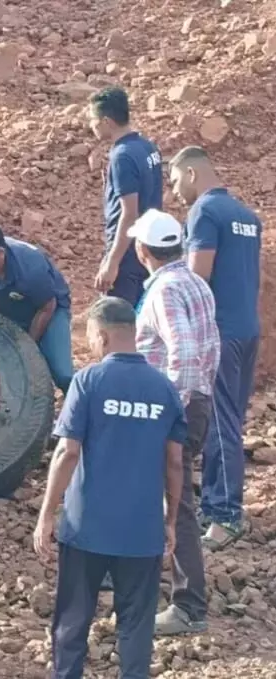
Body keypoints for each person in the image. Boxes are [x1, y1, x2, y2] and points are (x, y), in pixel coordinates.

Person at [33, 296, 186, 679]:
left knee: (73, 618)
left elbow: (68, 452)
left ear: (101, 336)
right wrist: (170, 520)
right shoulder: (164, 389)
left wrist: (46, 515)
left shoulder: (89, 381)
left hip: (86, 527)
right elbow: (175, 462)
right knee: (136, 623)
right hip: (141, 529)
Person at [129, 208, 219, 635]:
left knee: (175, 502)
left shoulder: (165, 290)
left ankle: (188, 606)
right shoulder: (195, 283)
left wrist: (172, 413)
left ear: (142, 250)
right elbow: (211, 349)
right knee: (164, 498)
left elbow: (182, 354)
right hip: (195, 401)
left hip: (172, 409)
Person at [169, 145, 263, 550]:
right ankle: (216, 504)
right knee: (230, 419)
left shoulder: (204, 213)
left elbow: (197, 278)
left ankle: (225, 514)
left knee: (219, 422)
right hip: (247, 329)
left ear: (191, 173)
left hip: (220, 331)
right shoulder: (247, 216)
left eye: (174, 180)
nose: (173, 191)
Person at [0, 221, 73, 393]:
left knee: (62, 373)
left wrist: (27, 344)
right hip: (10, 306)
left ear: (0, 253)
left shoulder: (30, 270)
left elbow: (47, 306)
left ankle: (79, 401)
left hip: (48, 310)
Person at [87, 86, 164, 306]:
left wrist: (112, 262)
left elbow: (129, 213)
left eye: (94, 119)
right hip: (149, 247)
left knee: (118, 323)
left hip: (127, 253)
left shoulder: (122, 156)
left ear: (107, 121)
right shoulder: (148, 147)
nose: (91, 125)